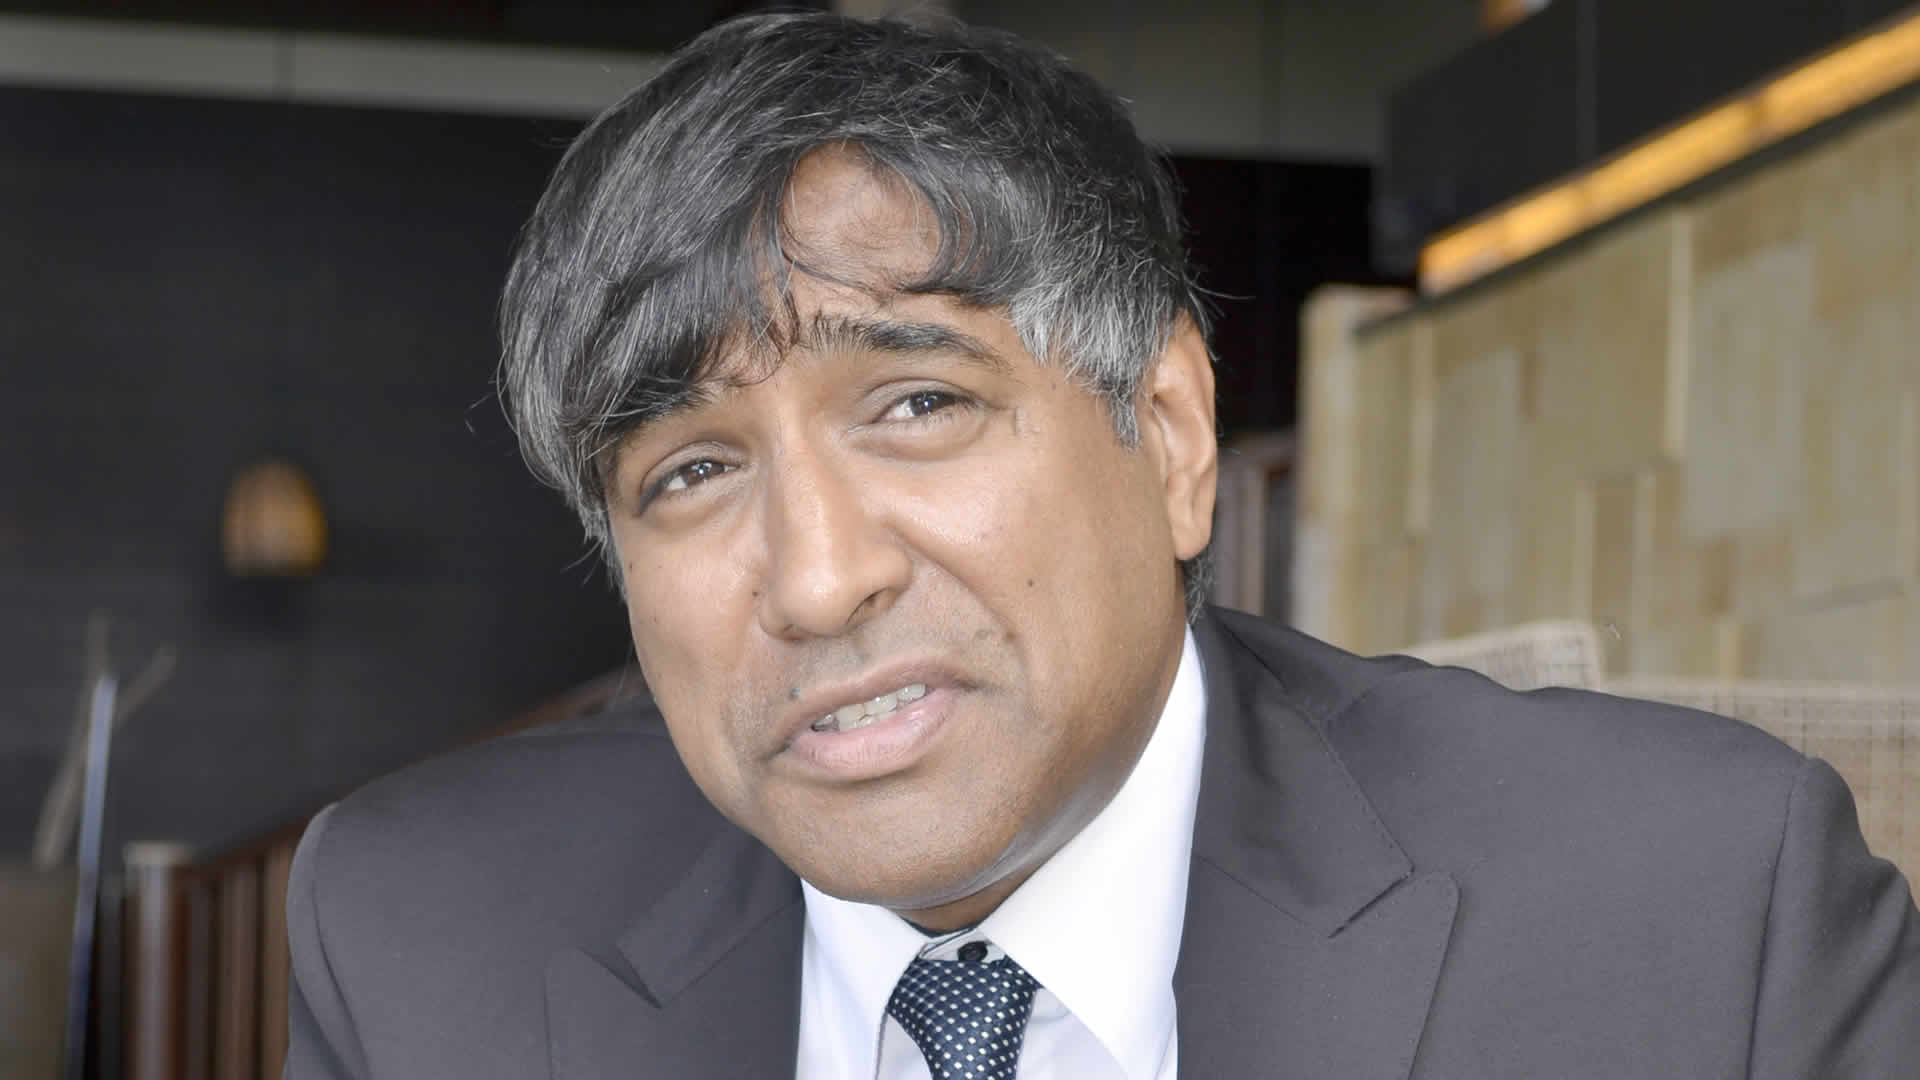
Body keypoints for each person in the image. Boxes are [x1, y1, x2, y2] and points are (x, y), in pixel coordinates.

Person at [282, 12, 1920, 1079]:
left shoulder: (1697, 912)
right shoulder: (427, 938)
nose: (819, 579)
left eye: (919, 404)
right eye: (694, 470)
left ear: (1174, 437)